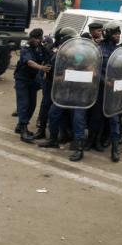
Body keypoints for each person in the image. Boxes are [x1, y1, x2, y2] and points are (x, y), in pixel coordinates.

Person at [38, 28, 88, 161]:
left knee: (78, 120)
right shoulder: (60, 55)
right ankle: (53, 140)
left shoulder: (82, 55)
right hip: (64, 91)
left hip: (79, 92)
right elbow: (54, 73)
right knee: (53, 114)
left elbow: (90, 72)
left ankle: (79, 148)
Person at [88, 22, 122, 162]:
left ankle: (115, 149)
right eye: (116, 34)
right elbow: (93, 69)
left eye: (119, 34)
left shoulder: (120, 51)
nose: (118, 36)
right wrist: (105, 81)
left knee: (114, 119)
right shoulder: (99, 49)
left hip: (114, 91)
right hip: (101, 89)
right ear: (109, 34)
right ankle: (92, 141)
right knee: (96, 117)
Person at [14, 28, 49, 143]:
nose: (37, 41)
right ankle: (23, 129)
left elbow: (49, 56)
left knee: (32, 105)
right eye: (35, 39)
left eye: (39, 39)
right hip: (22, 80)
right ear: (31, 38)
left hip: (33, 80)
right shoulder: (26, 48)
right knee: (23, 104)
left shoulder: (40, 48)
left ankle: (20, 126)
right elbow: (29, 62)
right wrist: (42, 68)